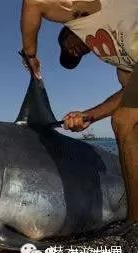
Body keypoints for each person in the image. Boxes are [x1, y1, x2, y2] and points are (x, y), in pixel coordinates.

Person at [20, 0, 138, 223]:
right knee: (129, 121)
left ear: (69, 30)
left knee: (123, 120)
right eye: (76, 56)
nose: (74, 52)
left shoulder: (81, 11)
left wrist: (31, 54)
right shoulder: (119, 63)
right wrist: (88, 116)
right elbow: (130, 95)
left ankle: (134, 226)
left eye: (69, 48)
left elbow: (34, 2)